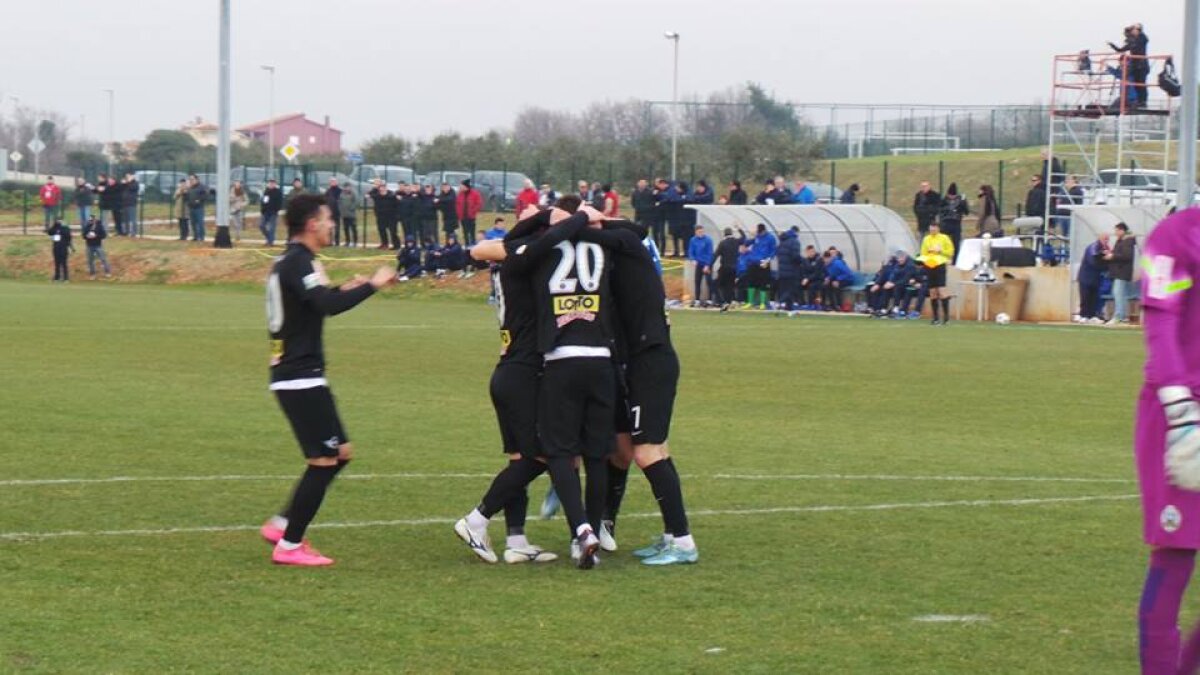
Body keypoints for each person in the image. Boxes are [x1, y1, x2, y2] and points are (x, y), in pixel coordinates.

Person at [258, 194, 396, 567]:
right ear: (312, 224)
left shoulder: (292, 261)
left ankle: (283, 524)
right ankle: (290, 545)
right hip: (299, 377)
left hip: (301, 375)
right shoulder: (299, 261)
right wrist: (372, 285)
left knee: (340, 453)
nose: (332, 225)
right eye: (328, 219)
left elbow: (316, 300)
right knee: (323, 460)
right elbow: (325, 306)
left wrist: (344, 289)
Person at [450, 207, 564, 565]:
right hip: (523, 372)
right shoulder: (525, 257)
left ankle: (516, 541)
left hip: (508, 370)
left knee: (519, 459)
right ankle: (476, 519)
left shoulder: (510, 258)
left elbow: (480, 250)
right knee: (540, 456)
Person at [1129, 208, 1200, 675]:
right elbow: (1161, 316)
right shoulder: (1178, 234)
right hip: (1182, 414)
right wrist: (1180, 410)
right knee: (1176, 556)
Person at [919, 221, 955, 325]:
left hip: (940, 265)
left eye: (934, 228)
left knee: (942, 290)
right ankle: (935, 318)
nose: (932, 230)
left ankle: (946, 318)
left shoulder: (944, 238)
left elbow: (951, 252)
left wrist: (940, 251)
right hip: (930, 265)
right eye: (931, 228)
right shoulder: (926, 239)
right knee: (932, 292)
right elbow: (923, 253)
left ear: (938, 229)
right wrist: (928, 253)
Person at [1110, 23, 1149, 108]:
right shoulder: (1132, 42)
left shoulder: (1142, 38)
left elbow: (1142, 39)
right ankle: (1139, 101)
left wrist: (1137, 28)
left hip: (1142, 66)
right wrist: (1112, 46)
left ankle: (1143, 101)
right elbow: (1120, 50)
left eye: (1134, 30)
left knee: (1141, 84)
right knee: (1136, 84)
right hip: (1135, 66)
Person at [1104, 222, 1136, 325]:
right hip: (1118, 272)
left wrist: (1113, 256)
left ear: (1122, 231)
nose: (1115, 233)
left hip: (1122, 272)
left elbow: (1127, 256)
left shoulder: (1127, 241)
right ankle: (1123, 317)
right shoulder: (1120, 241)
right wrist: (1110, 254)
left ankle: (1119, 316)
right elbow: (1119, 253)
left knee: (1118, 294)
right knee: (1120, 294)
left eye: (1117, 230)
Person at [1075, 232, 1110, 324]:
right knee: (1085, 297)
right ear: (1100, 238)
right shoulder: (1093, 247)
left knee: (1094, 298)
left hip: (1096, 277)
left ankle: (1092, 316)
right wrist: (1104, 259)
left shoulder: (1106, 248)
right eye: (1105, 239)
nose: (1106, 241)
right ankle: (1083, 315)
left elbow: (1108, 261)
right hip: (1086, 276)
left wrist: (1106, 260)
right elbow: (1093, 261)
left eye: (1107, 239)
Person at [745, 224, 777, 309]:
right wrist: (752, 236)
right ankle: (750, 302)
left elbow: (773, 251)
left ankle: (762, 303)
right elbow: (746, 243)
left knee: (764, 283)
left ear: (764, 230)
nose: (759, 233)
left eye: (760, 232)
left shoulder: (771, 238)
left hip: (764, 263)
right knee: (751, 283)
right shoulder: (756, 237)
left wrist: (767, 260)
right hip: (753, 262)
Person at [939, 183, 969, 262]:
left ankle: (955, 261)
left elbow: (966, 212)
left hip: (956, 223)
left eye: (953, 196)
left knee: (956, 243)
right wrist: (947, 209)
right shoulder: (944, 200)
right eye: (950, 195)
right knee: (943, 242)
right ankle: (942, 259)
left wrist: (963, 204)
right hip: (945, 223)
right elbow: (940, 210)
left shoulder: (961, 200)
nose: (951, 197)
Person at [775, 227, 803, 311]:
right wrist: (802, 261)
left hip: (782, 270)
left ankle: (789, 307)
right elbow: (795, 257)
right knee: (791, 289)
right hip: (791, 270)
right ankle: (780, 302)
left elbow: (778, 254)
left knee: (785, 288)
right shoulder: (795, 242)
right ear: (796, 232)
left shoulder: (782, 242)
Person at [687, 224, 714, 307]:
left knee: (709, 281)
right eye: (699, 232)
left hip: (707, 264)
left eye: (702, 231)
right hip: (698, 264)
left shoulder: (708, 240)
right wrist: (692, 259)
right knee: (697, 281)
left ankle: (710, 300)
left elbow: (710, 253)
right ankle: (697, 300)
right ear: (696, 232)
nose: (701, 233)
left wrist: (707, 265)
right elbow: (691, 251)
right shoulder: (693, 240)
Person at [712, 227, 740, 308]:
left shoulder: (722, 243)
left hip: (724, 268)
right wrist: (739, 228)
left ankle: (722, 302)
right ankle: (729, 302)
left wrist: (709, 265)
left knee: (716, 284)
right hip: (734, 268)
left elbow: (716, 255)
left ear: (724, 234)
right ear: (731, 233)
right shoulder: (736, 242)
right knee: (730, 286)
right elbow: (744, 237)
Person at [369, 180, 398, 250]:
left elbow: (397, 204)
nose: (382, 190)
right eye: (380, 189)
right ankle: (384, 244)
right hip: (380, 216)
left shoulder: (391, 195)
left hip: (391, 217)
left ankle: (396, 245)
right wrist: (375, 187)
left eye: (384, 188)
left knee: (392, 231)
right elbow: (370, 194)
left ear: (386, 188)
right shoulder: (377, 196)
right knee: (382, 230)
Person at [82, 215, 111, 280]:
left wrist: (96, 236)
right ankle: (92, 274)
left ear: (95, 220)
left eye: (92, 220)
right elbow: (83, 235)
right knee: (90, 261)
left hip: (98, 245)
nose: (90, 221)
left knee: (103, 259)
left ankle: (107, 272)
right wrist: (87, 236)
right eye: (90, 220)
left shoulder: (99, 226)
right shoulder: (87, 227)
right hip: (89, 245)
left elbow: (104, 235)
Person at [799, 245, 826, 310]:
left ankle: (812, 304)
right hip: (808, 280)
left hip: (818, 279)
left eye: (812, 251)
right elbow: (803, 271)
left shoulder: (819, 260)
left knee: (812, 286)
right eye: (809, 252)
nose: (811, 253)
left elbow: (817, 273)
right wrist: (804, 278)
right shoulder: (805, 260)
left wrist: (807, 279)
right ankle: (802, 303)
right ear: (806, 252)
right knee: (798, 285)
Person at [457, 180, 483, 247]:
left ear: (466, 186)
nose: (460, 187)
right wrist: (458, 213)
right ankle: (467, 245)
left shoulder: (475, 193)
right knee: (465, 232)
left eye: (462, 186)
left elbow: (479, 203)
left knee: (472, 232)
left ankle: (473, 245)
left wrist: (473, 211)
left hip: (471, 217)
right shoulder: (460, 194)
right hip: (463, 217)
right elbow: (457, 204)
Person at [650, 178, 672, 253]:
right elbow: (652, 200)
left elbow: (666, 199)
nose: (660, 185)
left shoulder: (668, 191)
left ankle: (662, 250)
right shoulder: (654, 190)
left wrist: (659, 200)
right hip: (654, 215)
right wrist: (655, 195)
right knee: (654, 233)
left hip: (662, 216)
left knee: (662, 234)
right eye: (659, 183)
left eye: (662, 184)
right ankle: (655, 249)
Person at [260, 178, 283, 246]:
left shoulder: (278, 192)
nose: (271, 184)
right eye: (270, 183)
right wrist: (263, 209)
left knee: (272, 228)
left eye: (273, 183)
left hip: (273, 212)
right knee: (261, 226)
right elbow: (264, 201)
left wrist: (277, 209)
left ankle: (270, 242)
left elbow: (280, 202)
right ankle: (269, 238)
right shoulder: (266, 191)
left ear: (275, 184)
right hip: (265, 212)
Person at [186, 174, 208, 242]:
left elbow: (205, 195)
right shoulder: (190, 188)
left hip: (199, 208)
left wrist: (199, 200)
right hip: (191, 207)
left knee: (200, 223)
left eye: (192, 179)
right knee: (193, 223)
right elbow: (187, 196)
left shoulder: (201, 187)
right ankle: (195, 236)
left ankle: (201, 237)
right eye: (190, 179)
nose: (191, 181)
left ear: (197, 179)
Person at [324, 178, 342, 247]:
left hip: (337, 212)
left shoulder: (340, 191)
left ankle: (337, 242)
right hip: (330, 212)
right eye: (331, 181)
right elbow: (325, 200)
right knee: (329, 228)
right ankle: (329, 242)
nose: (333, 182)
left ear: (337, 182)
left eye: (334, 181)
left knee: (337, 228)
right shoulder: (328, 191)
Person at [122, 172, 140, 237]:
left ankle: (134, 232)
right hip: (125, 204)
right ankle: (126, 232)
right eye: (126, 176)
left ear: (132, 176)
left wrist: (128, 182)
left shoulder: (135, 183)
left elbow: (132, 188)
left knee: (133, 219)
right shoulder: (125, 184)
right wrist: (124, 183)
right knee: (125, 219)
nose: (127, 178)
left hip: (131, 204)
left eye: (129, 176)